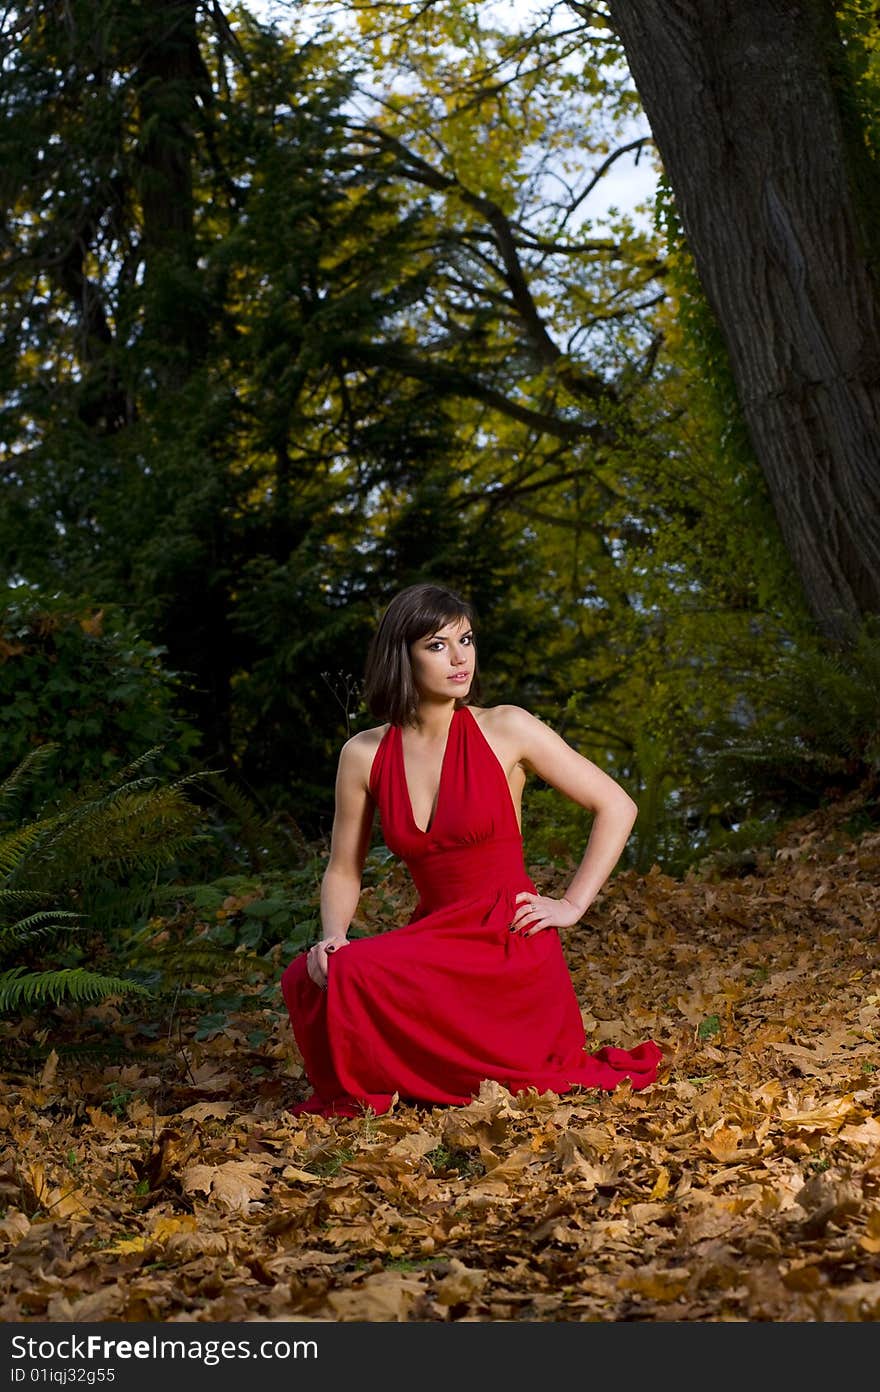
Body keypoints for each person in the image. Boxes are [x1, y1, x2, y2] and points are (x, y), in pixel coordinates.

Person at [281, 582, 663, 1117]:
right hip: (435, 938)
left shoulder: (507, 727)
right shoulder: (363, 753)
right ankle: (390, 1084)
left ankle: (430, 1075)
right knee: (310, 974)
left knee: (350, 975)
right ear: (402, 656)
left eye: (466, 640)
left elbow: (617, 806)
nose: (460, 659)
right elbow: (344, 868)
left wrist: (571, 905)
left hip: (507, 941)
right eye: (437, 646)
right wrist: (334, 937)